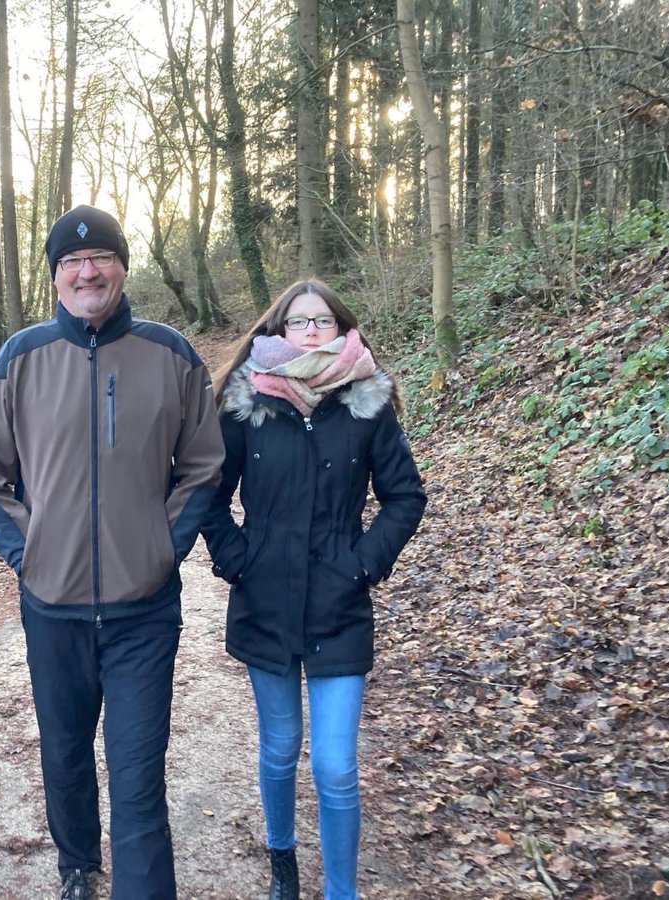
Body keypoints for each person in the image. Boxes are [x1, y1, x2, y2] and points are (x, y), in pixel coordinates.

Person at [0, 206, 225, 900]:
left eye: (101, 258)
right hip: (52, 607)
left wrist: (164, 548)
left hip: (145, 610)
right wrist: (29, 554)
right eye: (72, 262)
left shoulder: (171, 354)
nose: (87, 272)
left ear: (123, 268)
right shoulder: (19, 359)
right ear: (55, 276)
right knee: (65, 751)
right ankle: (77, 863)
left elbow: (204, 465)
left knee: (137, 770)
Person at [201, 279, 426, 900]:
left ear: (341, 329)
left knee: (335, 766)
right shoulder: (247, 401)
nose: (309, 331)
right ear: (278, 331)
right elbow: (209, 498)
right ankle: (282, 860)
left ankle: (340, 891)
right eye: (298, 322)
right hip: (264, 599)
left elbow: (405, 497)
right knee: (280, 748)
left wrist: (362, 566)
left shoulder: (366, 402)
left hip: (339, 603)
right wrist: (239, 562)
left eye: (321, 321)